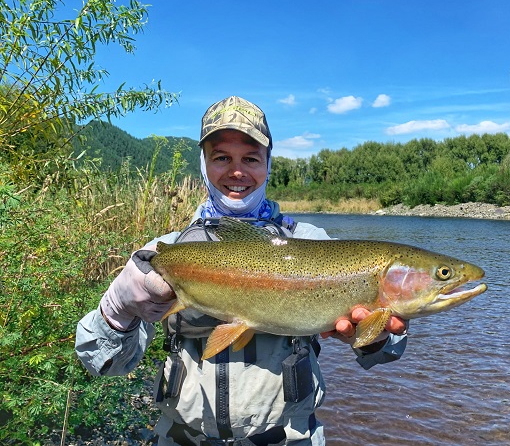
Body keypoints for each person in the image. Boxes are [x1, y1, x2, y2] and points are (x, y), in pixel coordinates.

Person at [75, 96, 409, 446]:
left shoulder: (313, 244)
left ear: (268, 164)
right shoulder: (167, 252)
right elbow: (103, 363)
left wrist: (376, 337)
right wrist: (118, 310)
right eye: (222, 158)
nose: (237, 171)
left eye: (250, 158)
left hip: (287, 438)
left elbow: (386, 354)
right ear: (204, 165)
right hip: (182, 437)